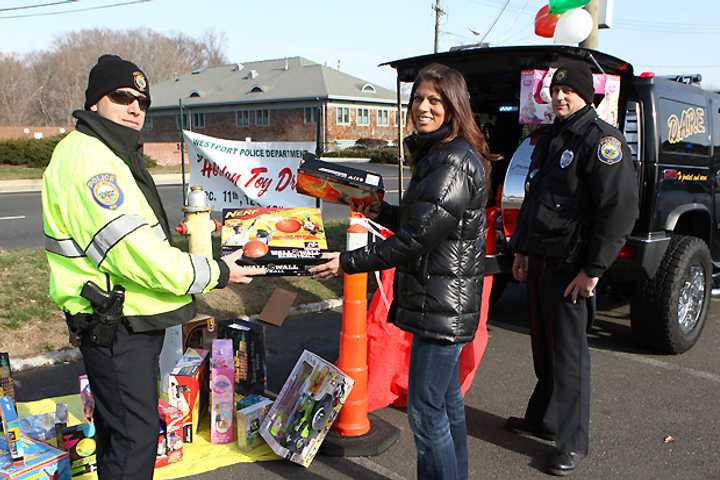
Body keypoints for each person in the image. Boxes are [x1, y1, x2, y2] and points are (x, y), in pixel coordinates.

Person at [41, 54, 263, 480]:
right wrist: (215, 271)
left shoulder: (106, 151)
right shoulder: (91, 160)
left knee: (119, 432)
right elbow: (133, 252)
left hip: (125, 318)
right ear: (94, 103)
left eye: (142, 101)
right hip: (117, 322)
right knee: (134, 440)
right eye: (121, 96)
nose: (134, 108)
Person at [310, 63, 494, 480]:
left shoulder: (451, 160)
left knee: (428, 417)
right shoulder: (442, 154)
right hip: (441, 301)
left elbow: (416, 238)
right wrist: (378, 209)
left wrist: (347, 261)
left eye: (434, 100)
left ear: (453, 105)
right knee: (445, 406)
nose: (423, 108)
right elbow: (424, 219)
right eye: (418, 100)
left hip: (441, 307)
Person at [506, 60, 639, 476]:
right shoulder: (550, 138)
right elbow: (534, 200)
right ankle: (542, 420)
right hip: (542, 261)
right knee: (544, 350)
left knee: (569, 358)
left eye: (569, 91)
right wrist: (521, 250)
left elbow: (618, 212)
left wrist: (593, 269)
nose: (560, 97)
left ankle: (572, 441)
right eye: (555, 91)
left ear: (587, 95)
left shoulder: (603, 141)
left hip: (572, 269)